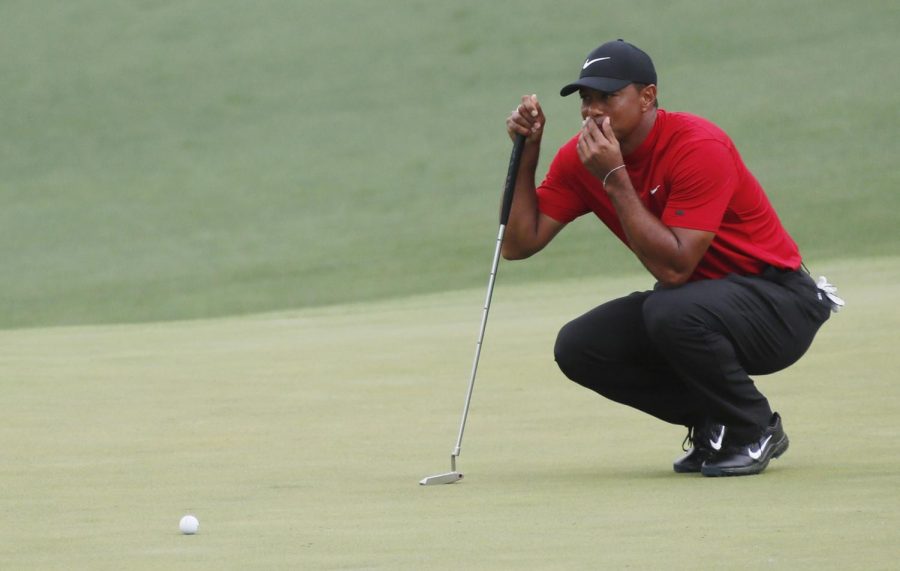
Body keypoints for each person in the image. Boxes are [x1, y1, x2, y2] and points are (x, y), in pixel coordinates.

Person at [503, 39, 843, 477]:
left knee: (668, 307)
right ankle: (713, 423)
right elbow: (519, 243)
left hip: (778, 303)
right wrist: (527, 155)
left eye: (606, 97)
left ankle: (754, 427)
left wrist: (614, 177)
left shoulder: (698, 145)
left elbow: (674, 268)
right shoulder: (581, 158)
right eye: (586, 99)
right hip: (697, 305)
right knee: (579, 346)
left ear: (647, 97)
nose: (591, 111)